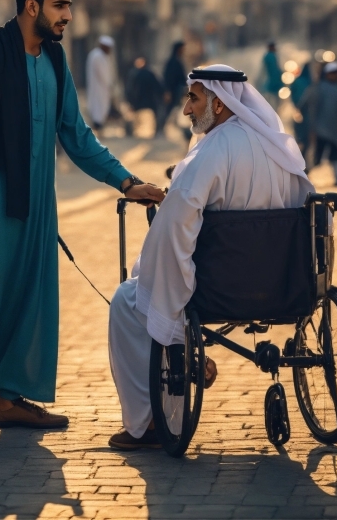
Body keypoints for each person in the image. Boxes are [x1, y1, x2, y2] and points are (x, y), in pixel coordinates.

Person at [0, 0, 164, 434]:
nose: (68, 15)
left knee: (30, 302)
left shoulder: (53, 61)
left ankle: (10, 401)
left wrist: (126, 183)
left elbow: (76, 134)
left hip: (36, 213)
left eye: (69, 5)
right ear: (32, 6)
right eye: (61, 5)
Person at [108, 64, 313, 450]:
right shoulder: (283, 151)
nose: (187, 108)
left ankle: (147, 422)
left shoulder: (210, 153)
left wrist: (153, 275)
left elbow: (174, 228)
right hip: (283, 286)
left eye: (193, 98)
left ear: (218, 104)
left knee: (127, 300)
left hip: (217, 291)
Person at [300, 61, 337, 187]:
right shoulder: (317, 88)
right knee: (317, 156)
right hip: (320, 129)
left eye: (336, 73)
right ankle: (302, 177)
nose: (334, 76)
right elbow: (306, 105)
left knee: (336, 154)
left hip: (336, 129)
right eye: (332, 73)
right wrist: (311, 126)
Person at [125, 57, 165, 137]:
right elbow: (157, 85)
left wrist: (130, 100)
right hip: (146, 100)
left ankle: (155, 131)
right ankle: (155, 131)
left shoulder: (137, 74)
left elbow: (129, 89)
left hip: (141, 100)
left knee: (153, 115)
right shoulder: (141, 74)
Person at [86, 36, 115, 131]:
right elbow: (102, 73)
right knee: (98, 106)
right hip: (98, 86)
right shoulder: (97, 56)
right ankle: (97, 126)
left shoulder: (103, 56)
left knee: (102, 107)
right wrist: (109, 83)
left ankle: (99, 125)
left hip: (103, 87)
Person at [163, 41, 187, 123]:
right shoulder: (172, 62)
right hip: (173, 90)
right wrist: (168, 91)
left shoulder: (178, 61)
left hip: (178, 89)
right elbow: (168, 77)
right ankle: (164, 125)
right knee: (171, 109)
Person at [261, 41, 283, 109]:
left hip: (272, 83)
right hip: (272, 83)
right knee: (273, 102)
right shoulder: (270, 56)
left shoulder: (269, 56)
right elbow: (274, 70)